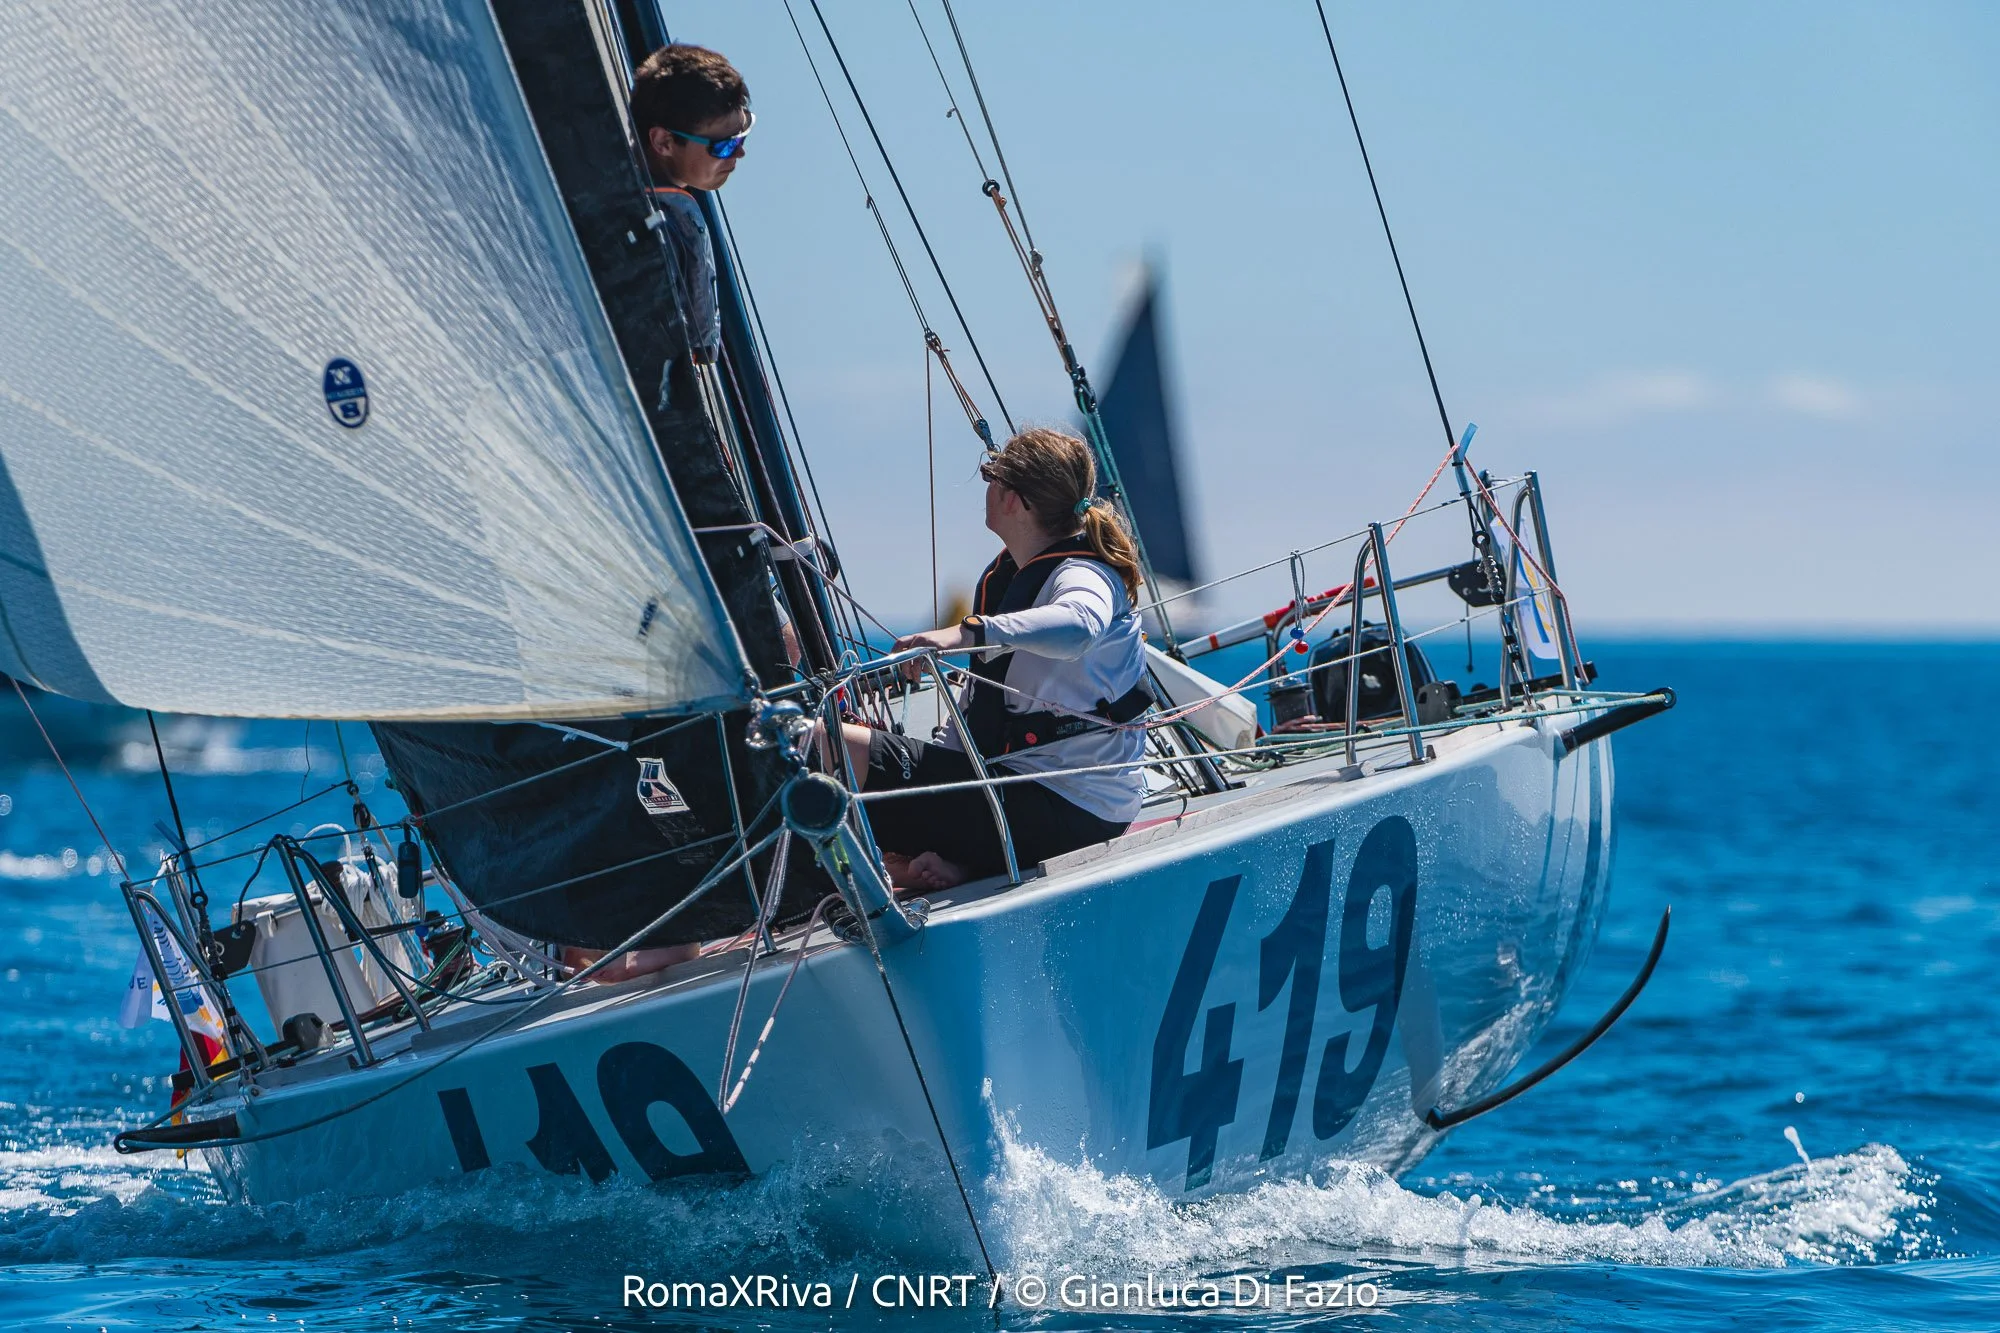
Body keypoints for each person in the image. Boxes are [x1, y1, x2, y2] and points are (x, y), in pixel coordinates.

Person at [837, 428, 1152, 890]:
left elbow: (1080, 626)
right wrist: (929, 765)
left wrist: (964, 634)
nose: (985, 487)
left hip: (1067, 808)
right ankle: (958, 865)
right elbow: (986, 713)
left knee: (827, 743)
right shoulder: (1014, 576)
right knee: (852, 751)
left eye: (991, 476)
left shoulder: (1083, 574)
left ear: (1014, 501)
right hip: (1024, 796)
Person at [629, 44, 754, 407]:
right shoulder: (651, 233)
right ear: (664, 142)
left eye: (743, 133)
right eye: (724, 146)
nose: (740, 153)